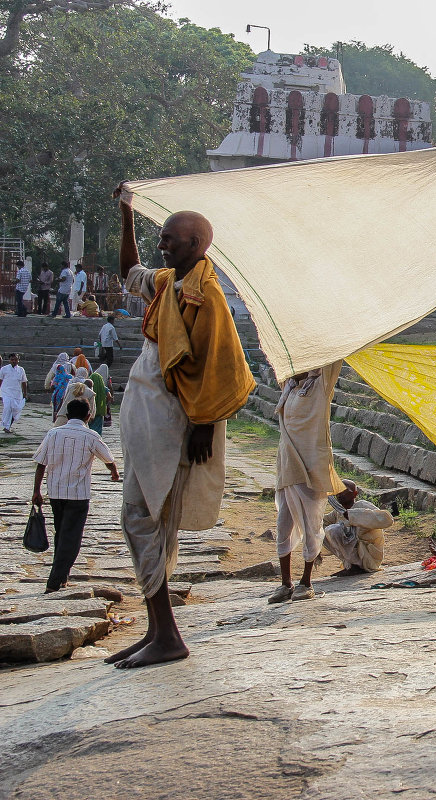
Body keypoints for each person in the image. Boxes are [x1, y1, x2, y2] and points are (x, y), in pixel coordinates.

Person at [106, 189, 254, 668]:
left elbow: (221, 366)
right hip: (150, 409)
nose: (162, 247)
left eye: (171, 240)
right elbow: (129, 271)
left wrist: (204, 425)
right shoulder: (170, 283)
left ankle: (166, 633)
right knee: (148, 517)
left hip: (171, 415)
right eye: (162, 239)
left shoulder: (205, 296)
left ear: (197, 244)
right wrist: (126, 212)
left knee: (141, 514)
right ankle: (157, 630)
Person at [269, 360, 344, 603]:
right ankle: (285, 583)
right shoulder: (288, 387)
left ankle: (306, 582)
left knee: (311, 526)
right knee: (283, 526)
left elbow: (334, 358)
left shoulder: (320, 386)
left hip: (310, 468)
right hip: (287, 467)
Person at [32, 399, 120, 593]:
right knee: (71, 537)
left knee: (61, 533)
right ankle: (54, 581)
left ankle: (61, 576)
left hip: (56, 492)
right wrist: (114, 471)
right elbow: (107, 458)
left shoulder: (53, 433)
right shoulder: (90, 435)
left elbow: (41, 463)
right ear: (88, 416)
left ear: (67, 414)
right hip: (78, 495)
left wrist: (36, 491)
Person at [321, 480, 393, 576]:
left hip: (368, 556)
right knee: (320, 532)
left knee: (334, 530)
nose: (340, 494)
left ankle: (357, 567)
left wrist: (351, 515)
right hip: (354, 556)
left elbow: (387, 519)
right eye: (338, 491)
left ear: (355, 494)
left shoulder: (362, 505)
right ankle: (350, 565)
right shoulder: (337, 512)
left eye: (344, 491)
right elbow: (322, 522)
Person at [1, 352, 28, 433]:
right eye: (12, 360)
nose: (14, 361)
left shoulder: (21, 370)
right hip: (6, 392)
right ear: (9, 360)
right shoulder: (4, 369)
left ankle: (8, 425)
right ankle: (6, 427)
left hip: (17, 393)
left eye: (16, 360)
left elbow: (24, 382)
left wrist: (25, 393)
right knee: (7, 407)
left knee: (15, 410)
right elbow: (0, 380)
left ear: (18, 360)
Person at [89, 367, 111, 437]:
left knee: (89, 427)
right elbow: (109, 396)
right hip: (100, 409)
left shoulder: (89, 388)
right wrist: (105, 403)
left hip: (90, 410)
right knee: (98, 427)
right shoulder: (103, 388)